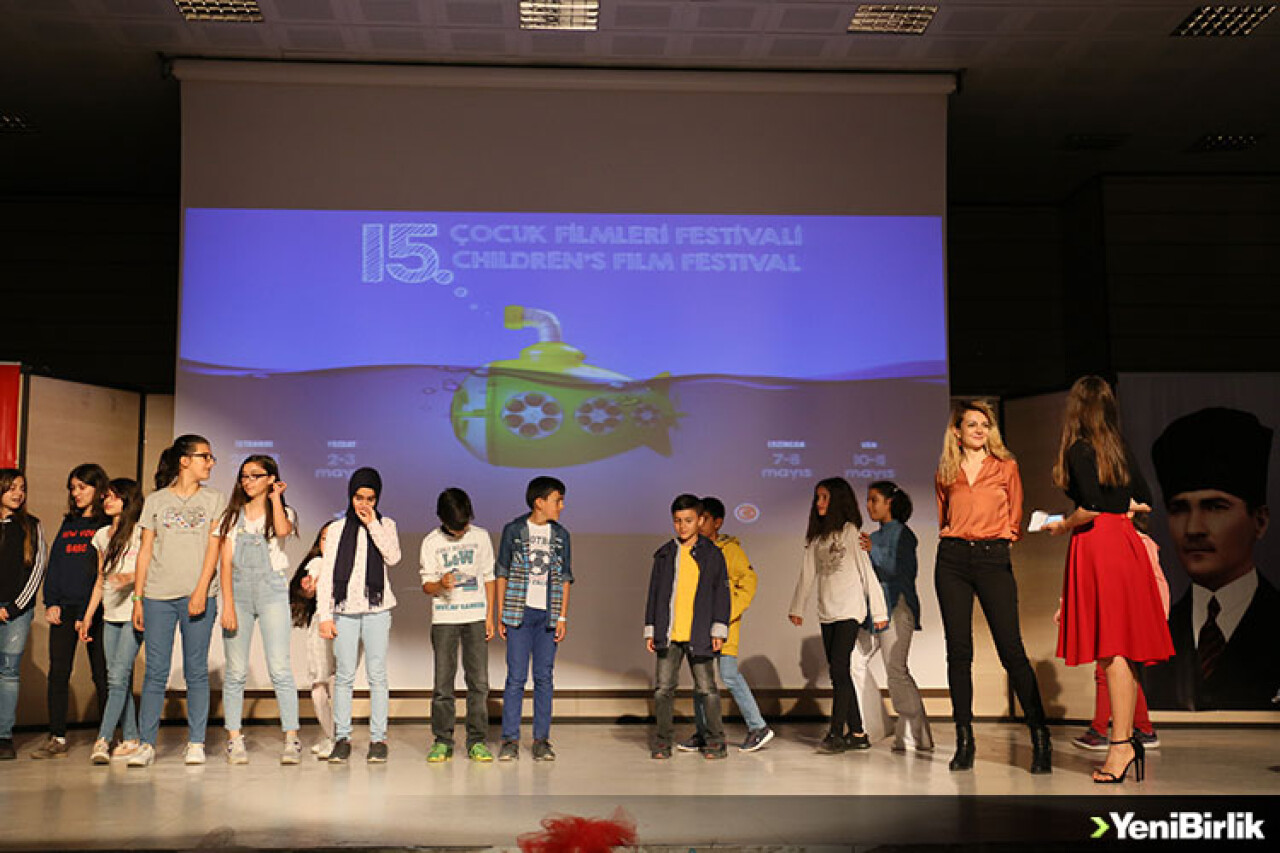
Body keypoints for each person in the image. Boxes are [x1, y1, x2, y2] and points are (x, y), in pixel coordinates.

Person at [1046, 376, 1174, 783]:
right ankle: (1125, 740)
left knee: (1113, 649)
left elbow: (1090, 507)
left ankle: (1120, 746)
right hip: (1124, 541)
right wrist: (1121, 506)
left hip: (1098, 544)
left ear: (1075, 409)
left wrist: (1063, 524)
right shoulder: (1117, 448)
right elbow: (1144, 499)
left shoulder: (1080, 449)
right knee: (1122, 650)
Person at [934, 401, 1050, 773]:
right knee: (958, 651)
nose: (980, 430)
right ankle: (964, 740)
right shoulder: (946, 470)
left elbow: (1015, 515)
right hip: (952, 559)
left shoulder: (1005, 466)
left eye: (985, 424)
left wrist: (1001, 540)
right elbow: (944, 516)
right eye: (972, 424)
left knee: (1010, 649)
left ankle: (1040, 737)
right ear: (957, 431)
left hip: (992, 557)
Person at [1143, 407, 1278, 711]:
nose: (1193, 529)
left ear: (1259, 521)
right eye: (1179, 509)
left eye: (1215, 507)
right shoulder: (1158, 633)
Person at [129, 434, 225, 767]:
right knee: (155, 671)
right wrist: (138, 598)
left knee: (196, 670)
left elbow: (214, 549)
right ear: (185, 460)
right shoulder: (156, 501)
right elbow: (145, 551)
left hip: (198, 596)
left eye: (211, 457)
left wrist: (200, 590)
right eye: (205, 456)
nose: (210, 463)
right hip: (158, 596)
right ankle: (146, 744)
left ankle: (196, 742)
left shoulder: (214, 499)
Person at [789, 477, 888, 754]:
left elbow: (867, 573)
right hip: (827, 611)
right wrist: (797, 607)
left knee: (839, 669)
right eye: (817, 497)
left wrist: (878, 611)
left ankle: (835, 733)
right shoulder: (817, 538)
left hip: (849, 609)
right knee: (839, 673)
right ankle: (858, 733)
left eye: (824, 497)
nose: (819, 503)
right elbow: (807, 573)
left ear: (837, 501)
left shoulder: (850, 532)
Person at [215, 455, 301, 765]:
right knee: (236, 671)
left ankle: (291, 738)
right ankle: (234, 738)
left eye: (255, 475)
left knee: (280, 668)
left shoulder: (284, 511)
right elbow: (225, 564)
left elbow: (282, 531)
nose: (248, 481)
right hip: (238, 594)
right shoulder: (230, 517)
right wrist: (227, 605)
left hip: (272, 592)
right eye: (244, 476)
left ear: (270, 478)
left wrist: (276, 498)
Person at [317, 467, 401, 764]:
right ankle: (342, 737)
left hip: (377, 609)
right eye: (358, 497)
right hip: (344, 611)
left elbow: (393, 557)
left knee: (377, 675)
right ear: (350, 496)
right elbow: (327, 575)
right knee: (344, 676)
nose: (363, 504)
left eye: (370, 498)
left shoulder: (386, 524)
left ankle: (378, 739)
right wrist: (324, 615)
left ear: (377, 499)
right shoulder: (337, 529)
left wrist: (373, 524)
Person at [678, 496, 772, 754]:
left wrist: (727, 612)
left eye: (705, 519)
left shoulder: (730, 550)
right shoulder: (694, 549)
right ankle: (703, 731)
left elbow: (748, 582)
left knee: (729, 674)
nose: (699, 524)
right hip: (699, 626)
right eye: (698, 519)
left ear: (717, 522)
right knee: (701, 679)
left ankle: (758, 726)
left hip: (724, 625)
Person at [1069, 513, 1166, 752]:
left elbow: (1150, 581)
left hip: (1137, 611)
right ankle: (1142, 728)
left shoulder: (1136, 541)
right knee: (1122, 670)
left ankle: (1100, 730)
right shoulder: (1125, 541)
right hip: (1130, 610)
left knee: (1109, 667)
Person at [645, 494, 731, 760]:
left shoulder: (712, 554)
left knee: (707, 689)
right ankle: (663, 742)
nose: (682, 526)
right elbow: (654, 594)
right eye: (677, 521)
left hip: (700, 633)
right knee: (663, 689)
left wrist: (718, 630)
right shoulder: (665, 554)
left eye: (688, 520)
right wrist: (651, 629)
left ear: (700, 520)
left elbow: (721, 594)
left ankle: (715, 741)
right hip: (669, 633)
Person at [33, 463, 110, 759]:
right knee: (58, 673)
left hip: (96, 610)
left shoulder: (106, 525)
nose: (76, 493)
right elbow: (55, 565)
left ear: (98, 489)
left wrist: (87, 612)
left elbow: (102, 574)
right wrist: (51, 601)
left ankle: (106, 737)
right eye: (73, 488)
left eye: (82, 487)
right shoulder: (69, 525)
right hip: (64, 608)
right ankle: (57, 737)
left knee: (102, 675)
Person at [496, 476, 573, 762]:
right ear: (539, 502)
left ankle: (541, 740)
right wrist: (502, 613)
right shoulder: (514, 530)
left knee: (544, 677)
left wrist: (562, 616)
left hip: (548, 615)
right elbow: (502, 571)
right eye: (557, 500)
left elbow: (565, 577)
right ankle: (510, 739)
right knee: (516, 677)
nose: (561, 506)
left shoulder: (561, 535)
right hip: (519, 612)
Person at [855, 480, 934, 753]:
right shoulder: (873, 537)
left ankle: (914, 735)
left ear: (890, 502)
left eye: (874, 500)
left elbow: (899, 571)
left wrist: (871, 551)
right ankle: (872, 726)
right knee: (853, 662)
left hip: (897, 608)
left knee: (896, 671)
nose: (869, 506)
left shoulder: (904, 534)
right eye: (868, 500)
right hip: (873, 612)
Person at [419, 487, 496, 763]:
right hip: (445, 619)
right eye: (456, 526)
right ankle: (442, 740)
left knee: (479, 682)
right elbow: (426, 585)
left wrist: (490, 617)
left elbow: (489, 577)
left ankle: (477, 741)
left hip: (475, 617)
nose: (462, 530)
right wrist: (440, 584)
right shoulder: (431, 542)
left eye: (464, 524)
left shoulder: (481, 537)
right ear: (442, 519)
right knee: (443, 684)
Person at [79, 478, 145, 763]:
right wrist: (87, 617)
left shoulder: (142, 533)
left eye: (114, 497)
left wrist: (130, 578)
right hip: (109, 614)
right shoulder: (101, 536)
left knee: (117, 677)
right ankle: (130, 738)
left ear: (127, 500)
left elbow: (152, 570)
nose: (107, 501)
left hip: (133, 612)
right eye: (105, 496)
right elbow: (100, 580)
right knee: (117, 678)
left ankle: (103, 740)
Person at [0, 469, 46, 761]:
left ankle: (4, 737)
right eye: (11, 488)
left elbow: (38, 568)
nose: (18, 493)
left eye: (22, 488)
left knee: (8, 672)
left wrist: (13, 608)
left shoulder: (32, 525)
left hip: (16, 611)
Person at [289, 522, 337, 758]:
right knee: (319, 685)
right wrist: (309, 588)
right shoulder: (317, 562)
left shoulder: (353, 564)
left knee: (338, 682)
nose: (328, 543)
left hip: (346, 623)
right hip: (321, 626)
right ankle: (330, 735)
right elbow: (310, 581)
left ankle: (339, 737)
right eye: (324, 538)